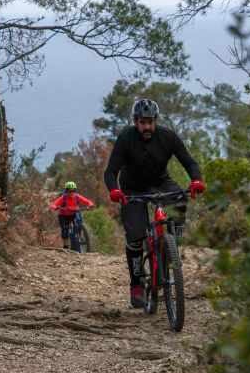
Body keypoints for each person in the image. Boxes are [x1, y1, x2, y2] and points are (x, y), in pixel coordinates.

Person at [104, 99, 206, 308]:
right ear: (135, 121)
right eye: (143, 122)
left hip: (161, 183)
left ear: (156, 120)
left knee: (179, 200)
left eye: (150, 121)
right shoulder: (126, 138)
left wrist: (196, 180)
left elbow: (189, 161)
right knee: (135, 237)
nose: (147, 126)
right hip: (132, 190)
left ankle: (171, 246)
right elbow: (111, 171)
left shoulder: (167, 136)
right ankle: (136, 285)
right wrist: (114, 189)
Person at [50, 181, 94, 249]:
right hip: (64, 214)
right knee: (65, 229)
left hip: (74, 212)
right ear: (66, 190)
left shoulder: (76, 196)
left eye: (73, 190)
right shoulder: (63, 197)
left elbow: (87, 201)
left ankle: (78, 236)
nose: (71, 192)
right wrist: (56, 208)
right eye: (69, 191)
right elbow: (54, 204)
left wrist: (90, 205)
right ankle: (65, 245)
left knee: (79, 222)